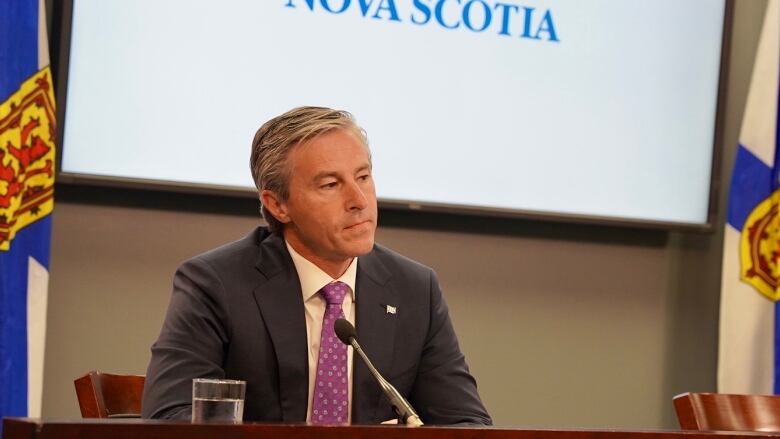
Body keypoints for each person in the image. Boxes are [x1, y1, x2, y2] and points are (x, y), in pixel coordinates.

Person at [141, 106, 492, 425]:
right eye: (330, 184)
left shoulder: (414, 288)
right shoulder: (215, 284)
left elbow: (465, 424)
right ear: (278, 204)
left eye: (364, 177)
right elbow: (170, 415)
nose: (358, 201)